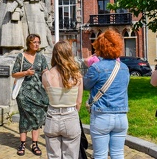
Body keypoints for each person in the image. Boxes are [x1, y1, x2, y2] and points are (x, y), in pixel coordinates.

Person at [83, 29, 130, 159]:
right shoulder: (124, 67)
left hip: (102, 115)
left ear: (100, 47)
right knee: (118, 154)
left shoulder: (96, 68)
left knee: (100, 154)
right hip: (121, 115)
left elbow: (85, 85)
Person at [42, 41, 83, 159]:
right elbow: (78, 102)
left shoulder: (46, 75)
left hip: (52, 117)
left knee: (53, 156)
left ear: (54, 55)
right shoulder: (77, 75)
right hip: (70, 115)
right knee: (71, 156)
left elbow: (47, 92)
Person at [11, 34, 49, 156]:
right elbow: (14, 74)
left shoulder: (41, 57)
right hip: (23, 92)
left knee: (37, 116)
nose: (37, 44)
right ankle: (22, 143)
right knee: (25, 117)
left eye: (38, 42)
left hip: (38, 92)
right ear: (29, 43)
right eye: (34, 42)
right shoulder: (21, 56)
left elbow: (46, 73)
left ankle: (35, 143)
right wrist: (26, 72)